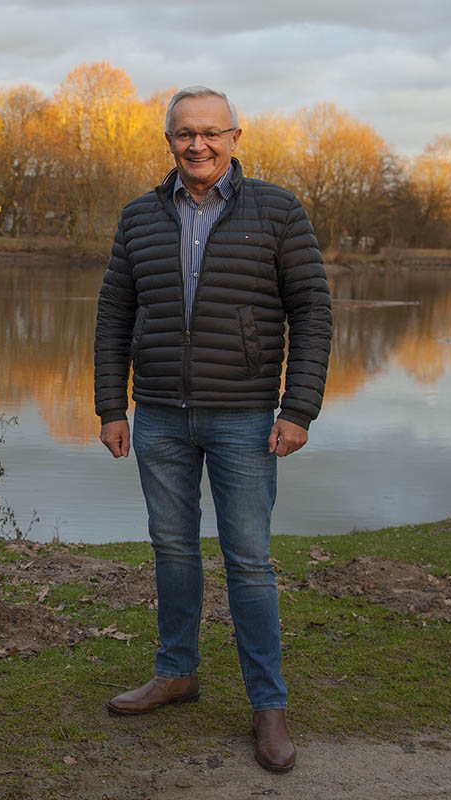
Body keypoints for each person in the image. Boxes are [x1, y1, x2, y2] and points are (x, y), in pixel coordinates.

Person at [94, 87, 332, 772]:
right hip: (161, 414)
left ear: (235, 136)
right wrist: (114, 405)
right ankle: (177, 673)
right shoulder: (140, 215)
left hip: (248, 416)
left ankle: (268, 704)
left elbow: (312, 310)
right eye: (183, 134)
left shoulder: (278, 210)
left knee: (249, 559)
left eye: (210, 133)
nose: (197, 145)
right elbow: (114, 313)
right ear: (168, 140)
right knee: (171, 548)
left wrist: (299, 409)